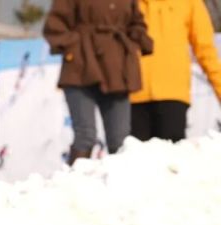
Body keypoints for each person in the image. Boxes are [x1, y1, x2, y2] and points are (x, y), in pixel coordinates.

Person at [43, 0, 153, 164]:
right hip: (80, 67)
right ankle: (75, 179)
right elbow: (55, 24)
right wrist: (74, 45)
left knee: (120, 140)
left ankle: (120, 179)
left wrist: (134, 42)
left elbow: (137, 22)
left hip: (117, 69)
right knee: (85, 135)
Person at [130, 0, 221, 142]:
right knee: (134, 154)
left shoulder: (189, 3)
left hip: (172, 96)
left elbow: (206, 51)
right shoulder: (130, 3)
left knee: (171, 154)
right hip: (134, 94)